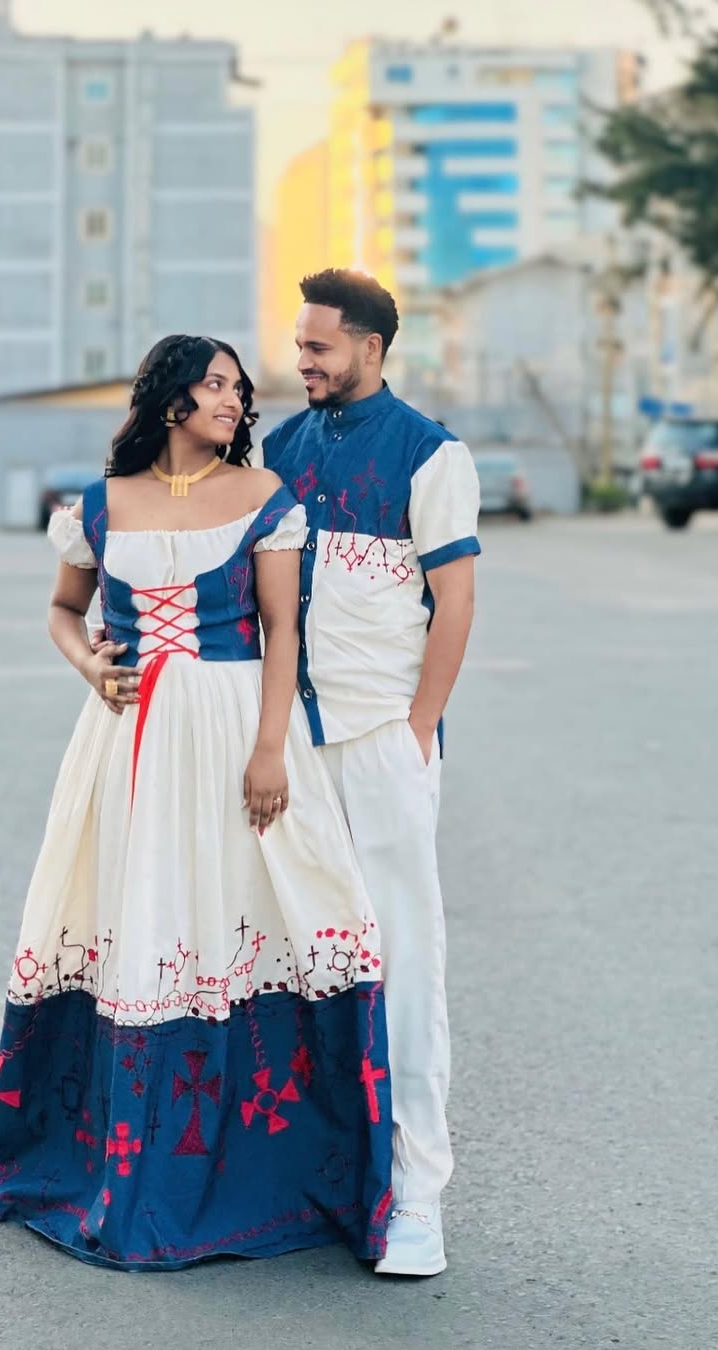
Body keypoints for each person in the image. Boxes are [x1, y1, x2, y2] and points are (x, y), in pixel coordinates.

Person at [0, 335, 393, 1272]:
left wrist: (271, 750)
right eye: (216, 385)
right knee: (141, 915)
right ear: (170, 401)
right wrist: (92, 669)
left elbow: (283, 631)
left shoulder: (265, 501)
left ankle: (286, 1165)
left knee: (279, 909)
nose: (236, 401)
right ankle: (126, 1168)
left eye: (241, 389)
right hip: (129, 741)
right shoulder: (100, 507)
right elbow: (62, 612)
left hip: (236, 721)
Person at [263, 269, 479, 1276]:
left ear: (373, 349)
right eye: (299, 346)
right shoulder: (281, 451)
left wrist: (419, 729)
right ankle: (320, 1180)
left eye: (319, 348)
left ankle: (417, 1199)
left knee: (403, 960)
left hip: (381, 740)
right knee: (295, 958)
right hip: (292, 746)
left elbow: (456, 602)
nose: (302, 361)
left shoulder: (432, 454)